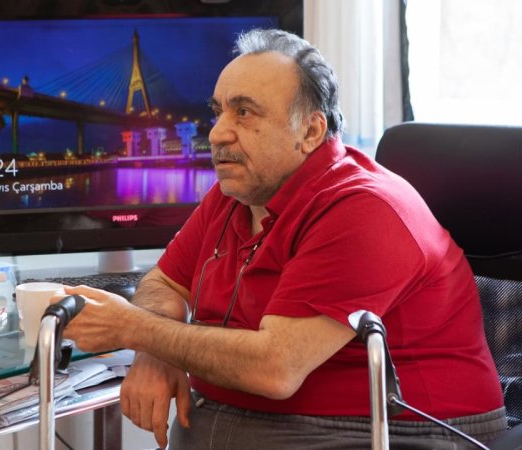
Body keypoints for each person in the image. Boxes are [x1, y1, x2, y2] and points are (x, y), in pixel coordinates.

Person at [63, 28, 506, 449]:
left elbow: (276, 368)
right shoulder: (236, 193)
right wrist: (154, 352)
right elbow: (164, 283)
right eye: (217, 111)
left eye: (244, 112)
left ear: (311, 131)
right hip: (252, 424)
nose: (217, 133)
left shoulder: (362, 209)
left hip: (398, 432)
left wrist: (133, 327)